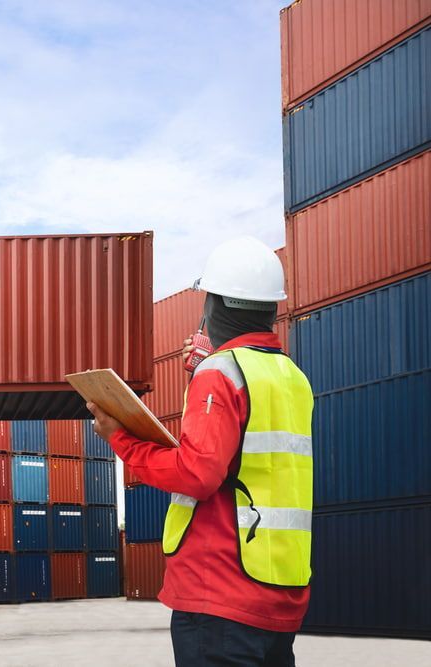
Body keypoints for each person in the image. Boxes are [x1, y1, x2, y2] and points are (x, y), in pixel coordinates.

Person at [88, 237, 313, 667]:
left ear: (215, 306)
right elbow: (248, 460)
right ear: (270, 308)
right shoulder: (292, 378)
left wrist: (121, 438)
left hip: (220, 593)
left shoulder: (220, 374)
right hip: (278, 589)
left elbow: (198, 474)